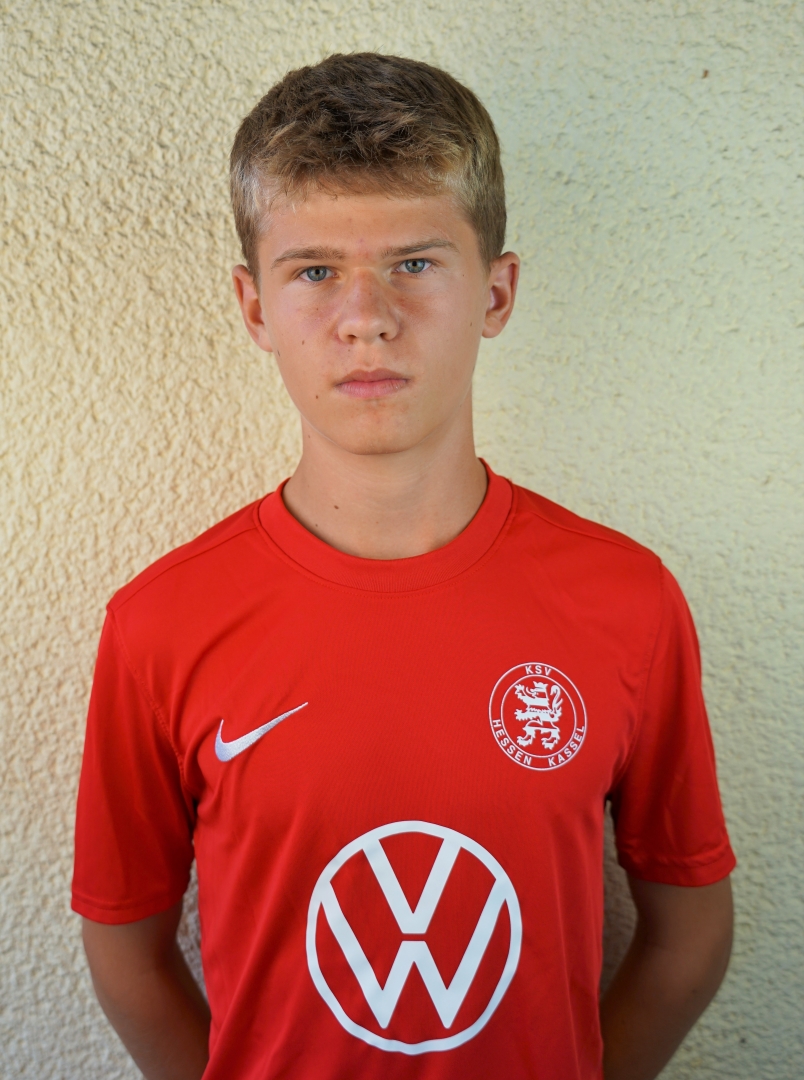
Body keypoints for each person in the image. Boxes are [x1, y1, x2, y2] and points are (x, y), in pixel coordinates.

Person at [73, 52, 735, 1080]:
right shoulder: (162, 623)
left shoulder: (626, 600)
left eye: (416, 264)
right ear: (254, 308)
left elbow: (690, 932)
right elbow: (124, 950)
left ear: (497, 293)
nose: (367, 316)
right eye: (315, 271)